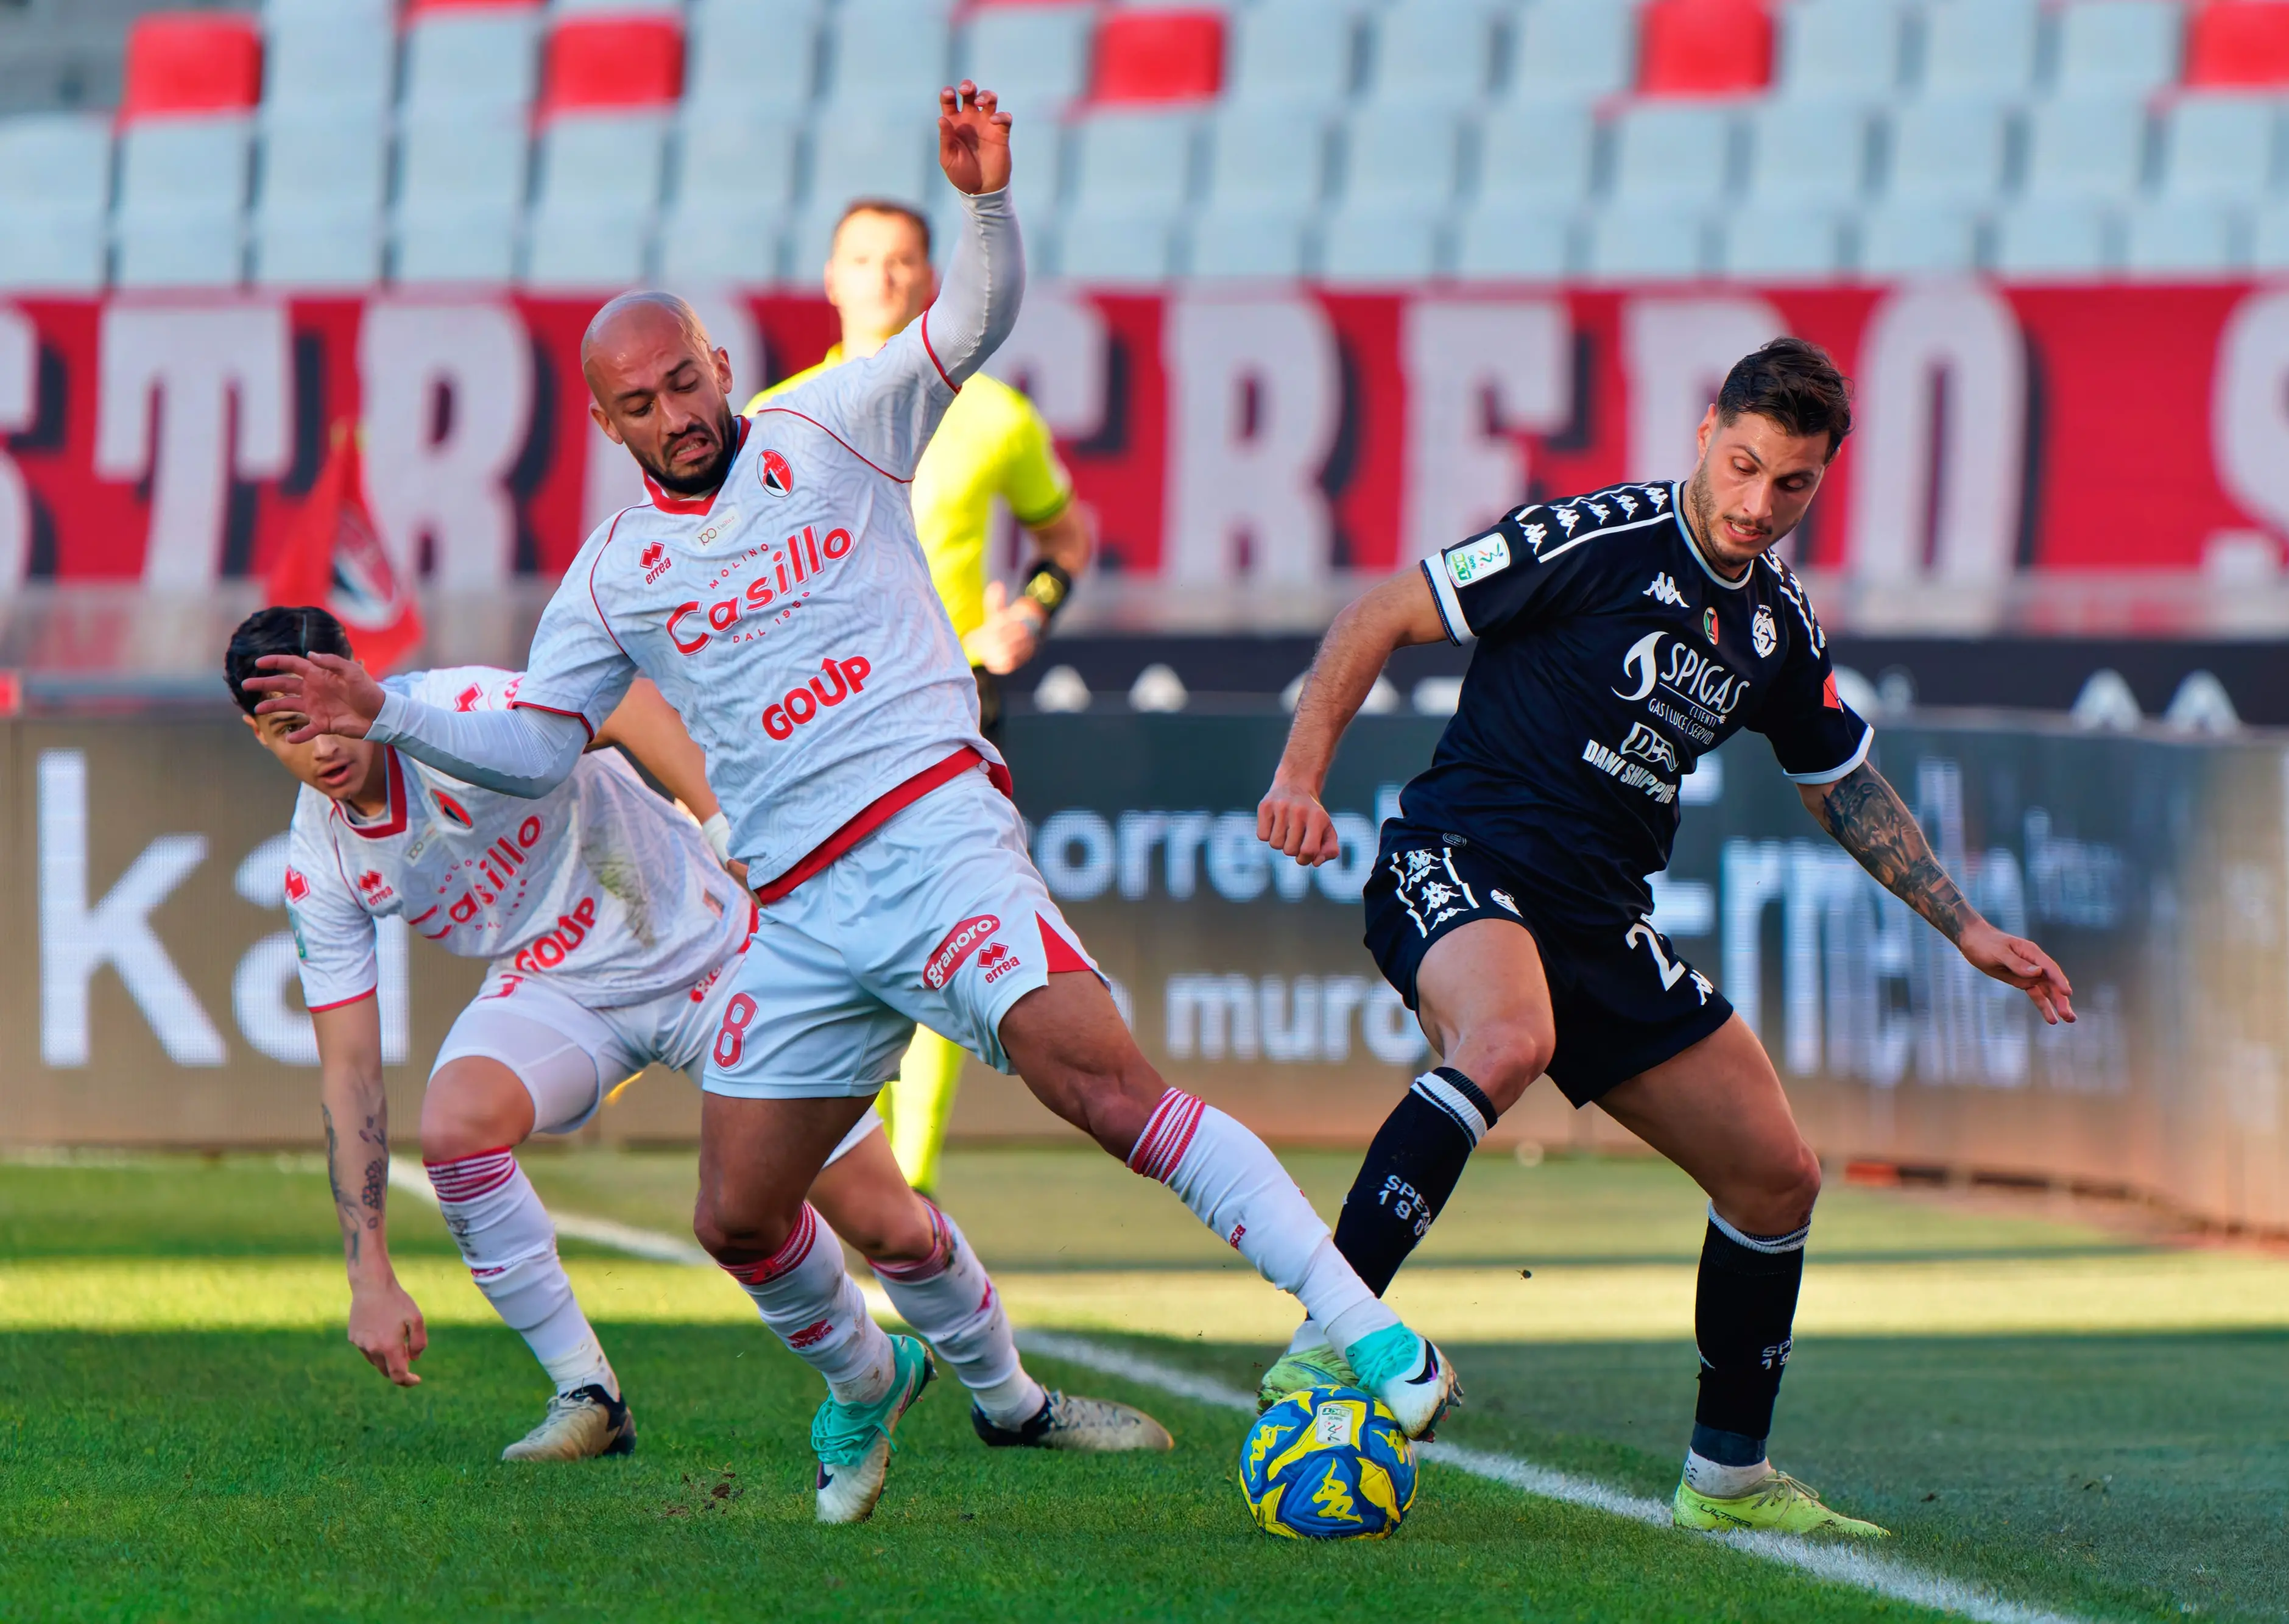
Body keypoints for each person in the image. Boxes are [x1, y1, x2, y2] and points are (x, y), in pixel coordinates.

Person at [246, 83, 1458, 1528]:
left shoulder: (836, 420)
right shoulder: (615, 574)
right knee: (738, 1214)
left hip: (931, 832)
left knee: (1102, 1087)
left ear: (717, 357)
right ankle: (868, 1380)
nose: (677, 414)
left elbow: (976, 320)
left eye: (686, 380)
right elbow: (533, 741)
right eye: (640, 403)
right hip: (795, 913)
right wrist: (384, 708)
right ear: (603, 420)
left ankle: (1367, 1329)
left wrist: (985, 201)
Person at [1256, 338, 2076, 1539]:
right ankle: (1328, 1339)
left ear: (1818, 481)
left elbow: (1838, 783)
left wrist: (1961, 925)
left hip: (1596, 922)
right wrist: (1298, 774)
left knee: (1774, 1177)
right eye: (1740, 465)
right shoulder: (1592, 539)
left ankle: (1726, 1481)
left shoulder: (1777, 629)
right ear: (1703, 432)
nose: (1755, 504)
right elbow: (1379, 611)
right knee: (1505, 1037)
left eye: (1788, 484)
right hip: (1461, 857)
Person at [232, 605, 1169, 1477]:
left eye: (328, 714)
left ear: (354, 678)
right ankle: (591, 1393)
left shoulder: (454, 710)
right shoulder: (322, 863)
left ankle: (1014, 1402)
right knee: (456, 1130)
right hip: (562, 985)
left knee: (883, 1219)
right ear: (257, 738)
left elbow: (627, 702)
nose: (323, 746)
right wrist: (370, 1275)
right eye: (287, 732)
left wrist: (728, 827)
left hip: (712, 945)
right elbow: (350, 1068)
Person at [747, 196, 1097, 1198]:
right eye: (864, 258)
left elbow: (1067, 539)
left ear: (929, 278)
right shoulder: (775, 413)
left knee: (952, 930)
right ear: (831, 277)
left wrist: (1032, 608)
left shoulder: (991, 413)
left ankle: (912, 1177)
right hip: (826, 711)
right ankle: (858, 1164)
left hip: (952, 700)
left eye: (904, 261)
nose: (885, 277)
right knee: (841, 940)